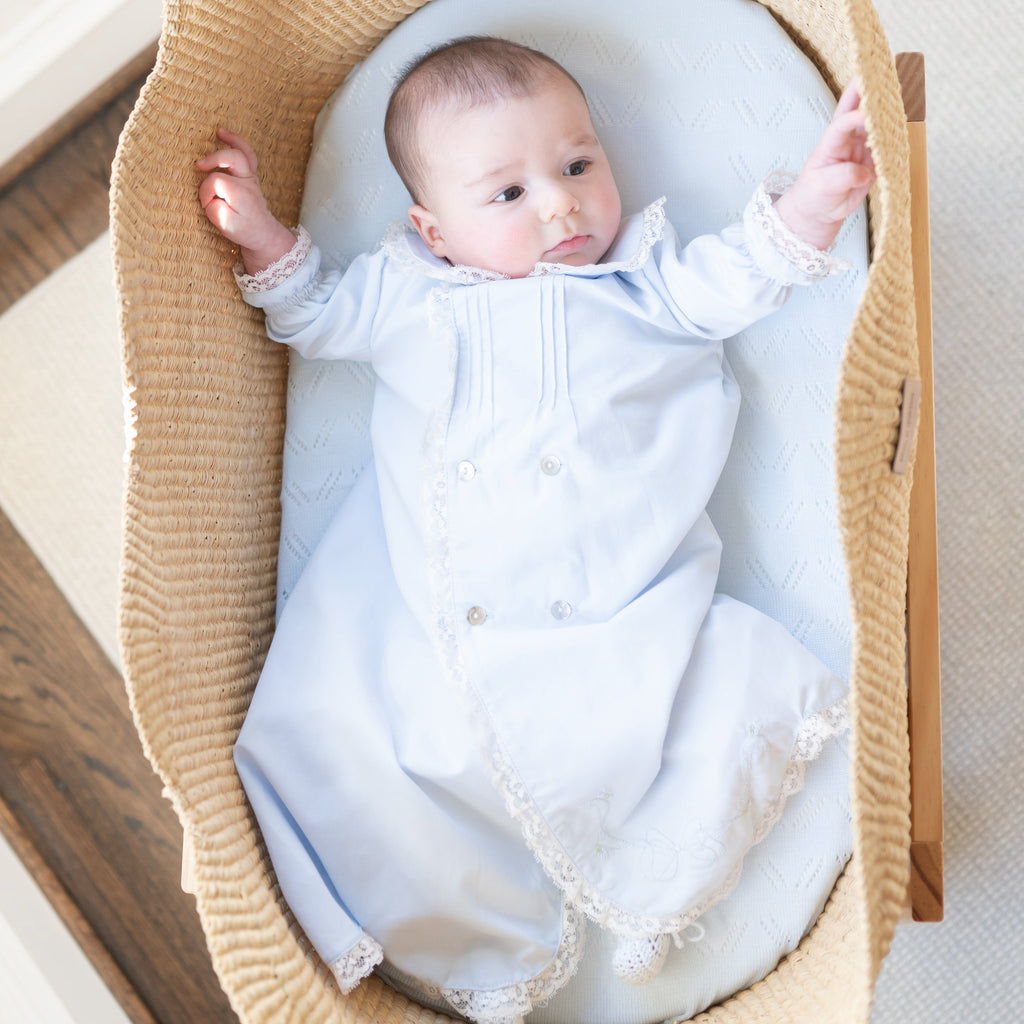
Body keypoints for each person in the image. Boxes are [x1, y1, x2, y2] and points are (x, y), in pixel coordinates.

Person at [197, 36, 874, 1024]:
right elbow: (313, 313)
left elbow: (740, 273)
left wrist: (817, 195)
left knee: (671, 697)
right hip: (450, 602)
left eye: (575, 165)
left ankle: (649, 869)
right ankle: (482, 939)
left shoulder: (643, 288)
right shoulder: (408, 298)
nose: (560, 204)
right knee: (386, 742)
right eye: (506, 194)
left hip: (614, 597)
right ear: (432, 230)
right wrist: (258, 229)